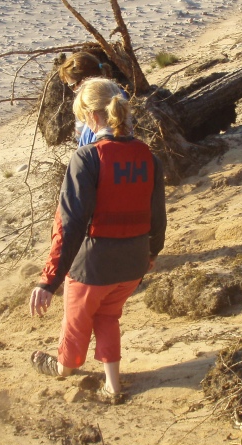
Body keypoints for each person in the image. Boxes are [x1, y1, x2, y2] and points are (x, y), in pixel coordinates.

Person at [28, 78, 166, 404]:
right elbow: (157, 216)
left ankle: (64, 367)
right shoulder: (148, 156)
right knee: (107, 316)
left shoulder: (87, 157)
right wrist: (151, 254)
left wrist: (49, 281)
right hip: (133, 265)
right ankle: (112, 385)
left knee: (76, 322)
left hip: (93, 266)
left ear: (91, 116)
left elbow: (70, 225)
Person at [57, 51, 122, 147]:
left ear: (85, 81)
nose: (74, 91)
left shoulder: (91, 105)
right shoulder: (117, 93)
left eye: (72, 85)